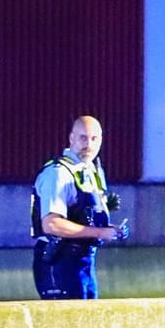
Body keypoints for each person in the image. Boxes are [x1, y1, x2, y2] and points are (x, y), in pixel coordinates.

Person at [30, 115, 128, 299]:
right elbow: (52, 225)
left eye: (94, 139)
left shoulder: (91, 170)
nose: (89, 145)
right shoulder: (58, 173)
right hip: (59, 261)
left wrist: (109, 229)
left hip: (84, 260)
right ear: (71, 138)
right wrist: (100, 233)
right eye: (83, 138)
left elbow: (84, 215)